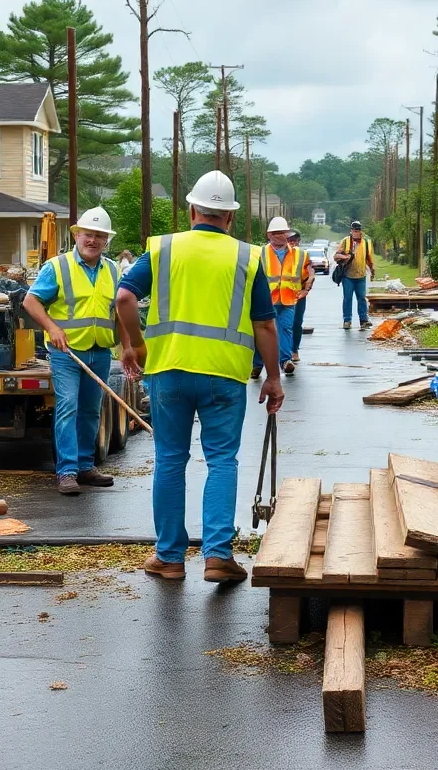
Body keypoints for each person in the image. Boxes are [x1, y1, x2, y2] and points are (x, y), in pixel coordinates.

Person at [116, 170, 285, 585]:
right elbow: (265, 324)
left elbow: (123, 297)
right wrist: (274, 378)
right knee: (222, 461)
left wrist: (134, 344)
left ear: (192, 210)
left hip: (169, 372)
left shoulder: (163, 248)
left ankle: (170, 558)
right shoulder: (248, 256)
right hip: (224, 377)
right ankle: (217, 556)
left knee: (171, 460)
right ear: (229, 217)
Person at [23, 207, 119, 496]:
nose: (93, 240)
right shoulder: (57, 266)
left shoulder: (113, 270)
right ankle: (66, 472)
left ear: (106, 241)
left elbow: (118, 310)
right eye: (88, 234)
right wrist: (52, 328)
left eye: (99, 236)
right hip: (66, 352)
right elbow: (31, 302)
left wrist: (128, 346)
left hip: (99, 350)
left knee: (91, 409)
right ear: (77, 235)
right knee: (68, 407)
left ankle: (85, 466)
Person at [251, 216, 303, 378]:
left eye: (282, 233)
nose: (280, 236)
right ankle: (257, 364)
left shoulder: (298, 254)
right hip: (266, 300)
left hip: (288, 300)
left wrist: (305, 290)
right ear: (269, 235)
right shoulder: (259, 254)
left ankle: (285, 361)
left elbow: (307, 274)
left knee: (286, 329)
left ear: (287, 234)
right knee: (263, 332)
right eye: (276, 233)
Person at [334, 220, 375, 330]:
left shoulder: (366, 242)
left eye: (358, 230)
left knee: (361, 298)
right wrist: (345, 257)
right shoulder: (346, 241)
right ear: (351, 231)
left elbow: (369, 258)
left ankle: (363, 320)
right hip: (348, 276)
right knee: (347, 298)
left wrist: (372, 270)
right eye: (354, 230)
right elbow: (336, 256)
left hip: (361, 275)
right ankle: (347, 320)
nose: (356, 232)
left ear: (361, 231)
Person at [288, 230, 314, 363]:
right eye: (290, 240)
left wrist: (306, 290)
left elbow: (310, 274)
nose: (292, 243)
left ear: (299, 241)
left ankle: (294, 350)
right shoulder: (278, 254)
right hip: (280, 296)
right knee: (282, 324)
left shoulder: (303, 255)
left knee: (296, 323)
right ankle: (283, 352)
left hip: (298, 296)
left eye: (295, 240)